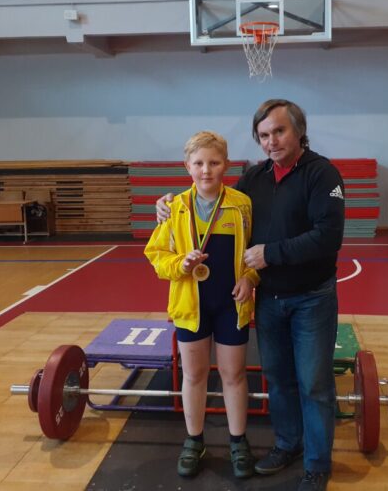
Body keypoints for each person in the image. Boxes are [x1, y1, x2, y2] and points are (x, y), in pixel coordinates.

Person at [157, 100, 345, 491]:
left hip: (311, 297)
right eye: (263, 135)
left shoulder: (322, 173)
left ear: (298, 131)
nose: (271, 141)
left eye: (279, 131)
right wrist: (167, 204)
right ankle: (287, 444)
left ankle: (316, 464)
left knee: (313, 383)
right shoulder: (254, 179)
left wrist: (267, 256)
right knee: (278, 378)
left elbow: (328, 237)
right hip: (269, 296)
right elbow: (214, 200)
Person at [144, 131, 259, 479]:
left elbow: (256, 251)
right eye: (199, 163)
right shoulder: (174, 208)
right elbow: (156, 255)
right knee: (194, 375)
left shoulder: (241, 204)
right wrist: (180, 264)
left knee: (233, 375)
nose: (206, 170)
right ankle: (194, 440)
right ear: (187, 166)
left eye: (214, 162)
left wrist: (250, 279)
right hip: (190, 306)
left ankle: (238, 441)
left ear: (226, 165)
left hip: (231, 305)